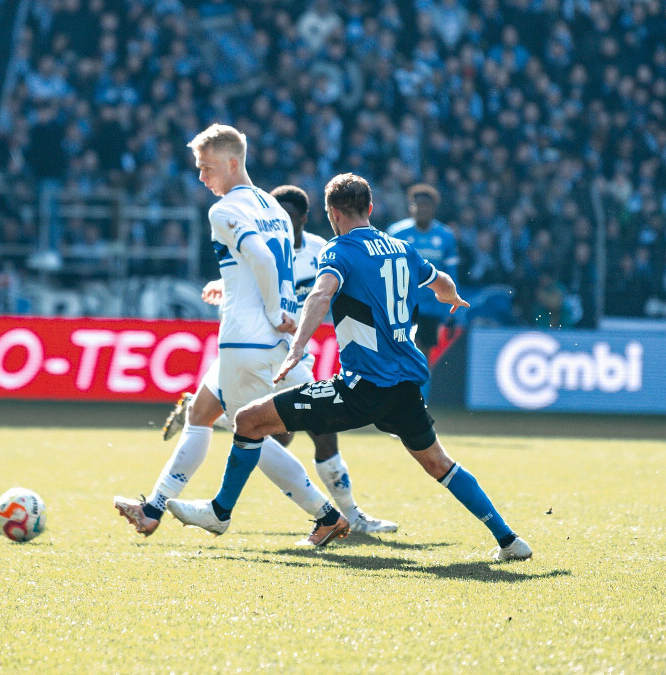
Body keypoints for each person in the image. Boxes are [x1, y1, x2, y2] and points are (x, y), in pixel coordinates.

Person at [167, 173, 532, 560]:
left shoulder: (339, 251)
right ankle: (509, 540)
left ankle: (220, 512)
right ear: (370, 209)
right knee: (440, 463)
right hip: (406, 385)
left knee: (248, 420)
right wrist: (453, 297)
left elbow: (321, 295)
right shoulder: (401, 247)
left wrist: (297, 348)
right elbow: (439, 280)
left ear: (332, 213)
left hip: (362, 387)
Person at [114, 126, 352, 546]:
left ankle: (326, 514)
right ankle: (153, 509)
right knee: (201, 413)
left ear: (231, 162)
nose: (202, 177)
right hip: (271, 340)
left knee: (250, 431)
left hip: (248, 340)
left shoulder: (224, 210)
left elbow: (260, 256)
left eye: (206, 168)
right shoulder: (273, 208)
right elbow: (264, 262)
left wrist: (278, 307)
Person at [155, 185, 397, 534]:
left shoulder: (321, 250)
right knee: (307, 430)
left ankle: (216, 418)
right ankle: (348, 517)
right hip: (270, 350)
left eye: (287, 216)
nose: (278, 220)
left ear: (302, 218)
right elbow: (247, 280)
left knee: (283, 437)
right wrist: (221, 285)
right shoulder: (263, 246)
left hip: (293, 356)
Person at [386, 184, 459, 357]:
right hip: (402, 306)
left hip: (431, 308)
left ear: (434, 209)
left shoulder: (446, 236)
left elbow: (451, 275)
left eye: (427, 205)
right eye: (418, 205)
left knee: (423, 356)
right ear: (411, 207)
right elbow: (385, 272)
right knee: (403, 353)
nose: (422, 209)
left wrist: (452, 310)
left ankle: (422, 384)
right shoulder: (396, 234)